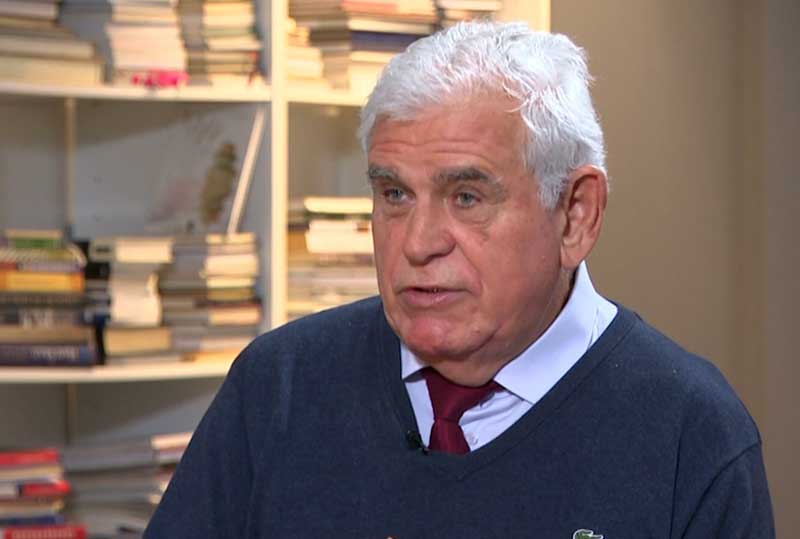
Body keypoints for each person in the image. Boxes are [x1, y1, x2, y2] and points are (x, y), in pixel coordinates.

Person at [145, 21, 774, 538]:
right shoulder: (279, 386)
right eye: (394, 194)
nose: (418, 242)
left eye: (467, 197)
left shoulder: (690, 432)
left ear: (575, 215)